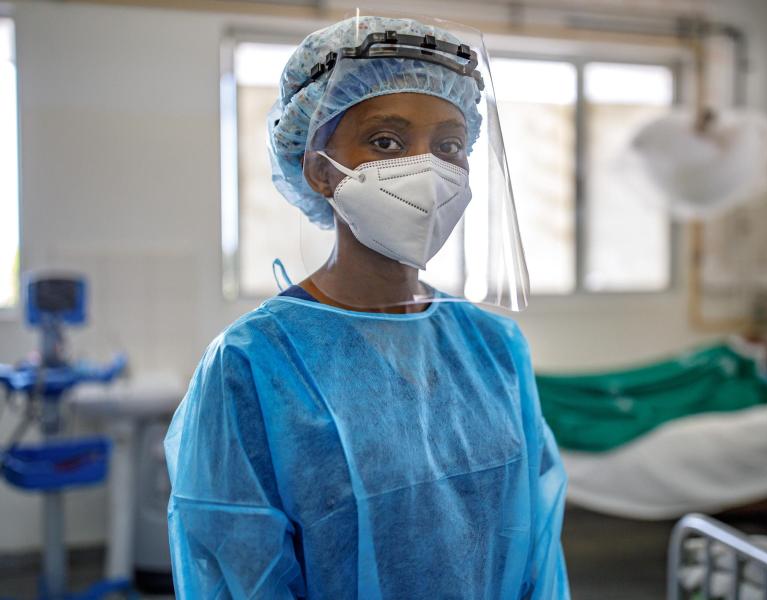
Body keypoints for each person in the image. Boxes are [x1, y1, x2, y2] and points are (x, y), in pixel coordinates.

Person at [164, 13, 569, 599]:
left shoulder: (495, 348)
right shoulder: (253, 365)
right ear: (319, 170)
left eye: (450, 145)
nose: (426, 169)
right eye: (386, 141)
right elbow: (236, 573)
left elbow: (536, 550)